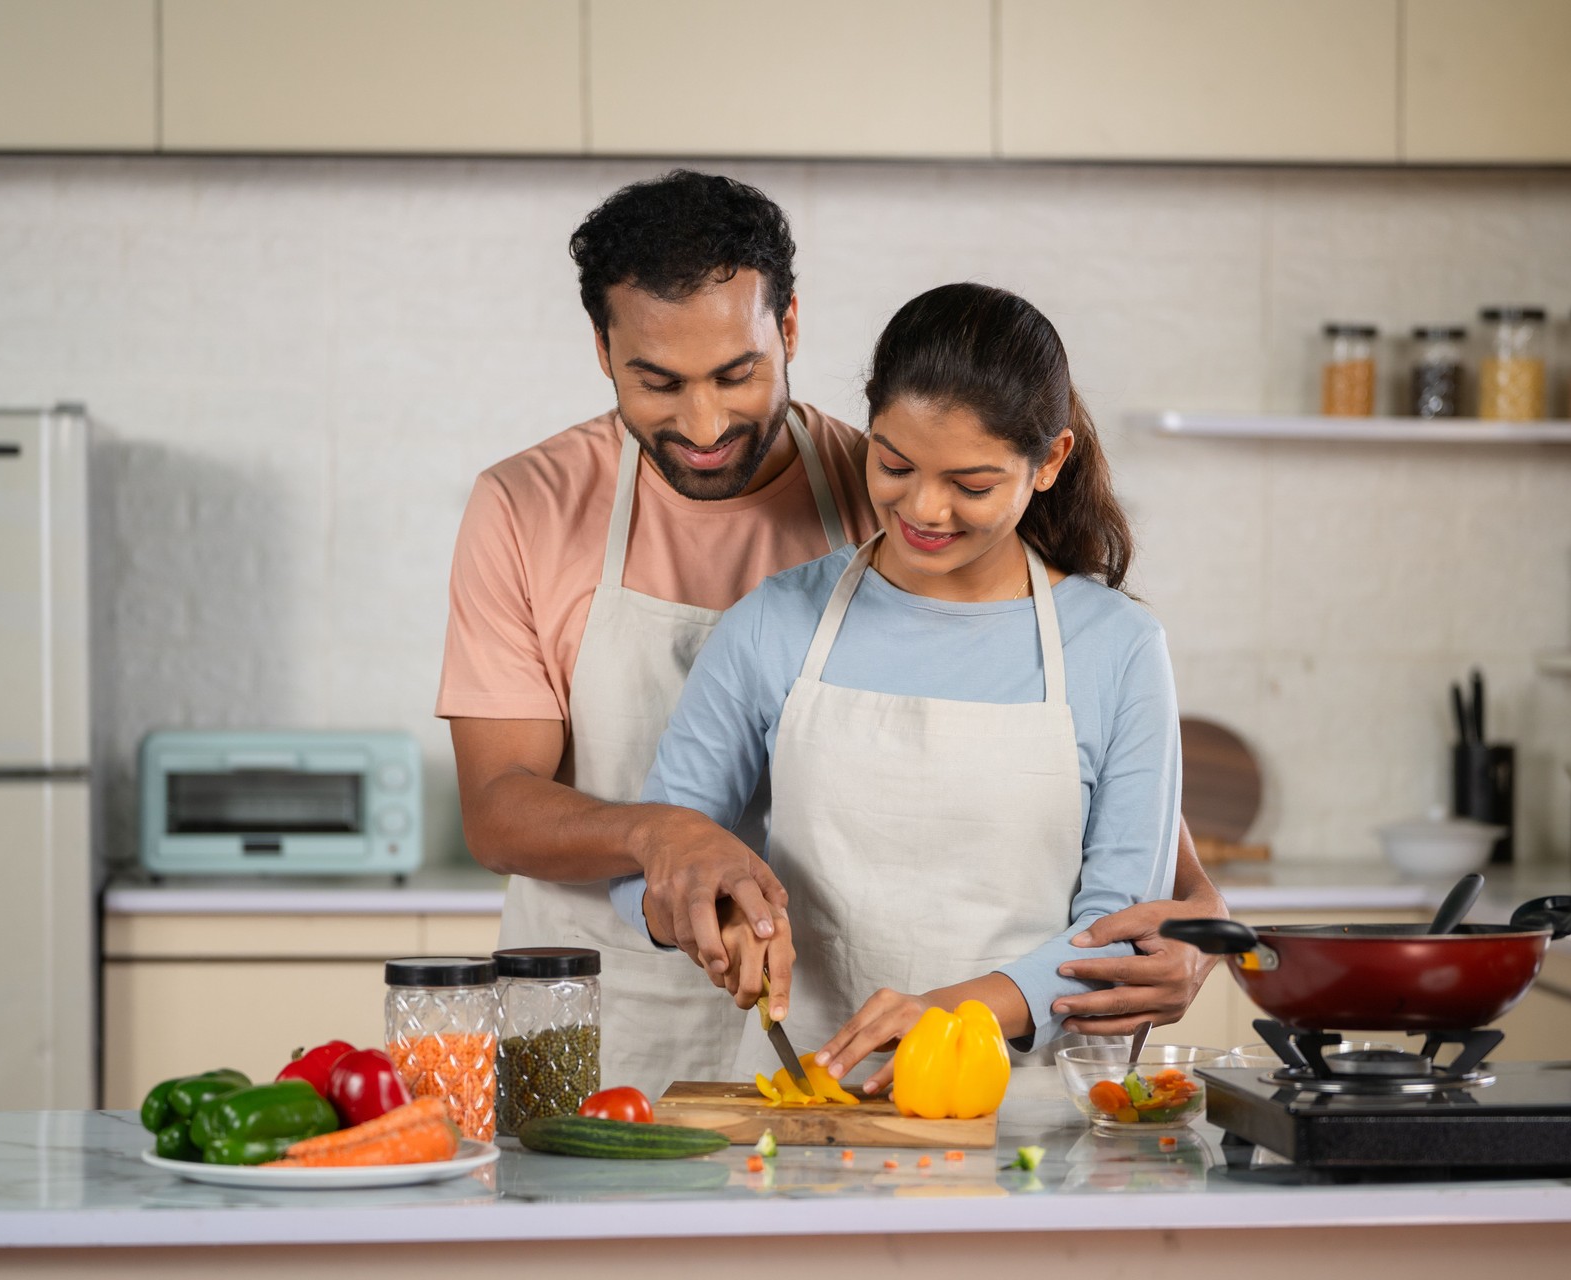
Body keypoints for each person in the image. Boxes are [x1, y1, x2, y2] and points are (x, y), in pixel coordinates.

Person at [439, 171, 1225, 1098]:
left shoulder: (892, 480)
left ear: (791, 329)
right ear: (605, 352)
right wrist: (666, 843)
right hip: (642, 1006)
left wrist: (1203, 918)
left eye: (737, 373)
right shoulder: (537, 510)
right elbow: (496, 807)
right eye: (660, 381)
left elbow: (1126, 843)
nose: (703, 422)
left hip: (968, 1067)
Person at [613, 282, 1198, 1093]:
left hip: (1031, 1118)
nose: (924, 507)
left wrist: (952, 1015)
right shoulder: (775, 622)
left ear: (1051, 461)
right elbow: (650, 860)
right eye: (893, 464)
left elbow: (1122, 934)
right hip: (806, 1113)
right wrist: (706, 914)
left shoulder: (1119, 647)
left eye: (973, 483)